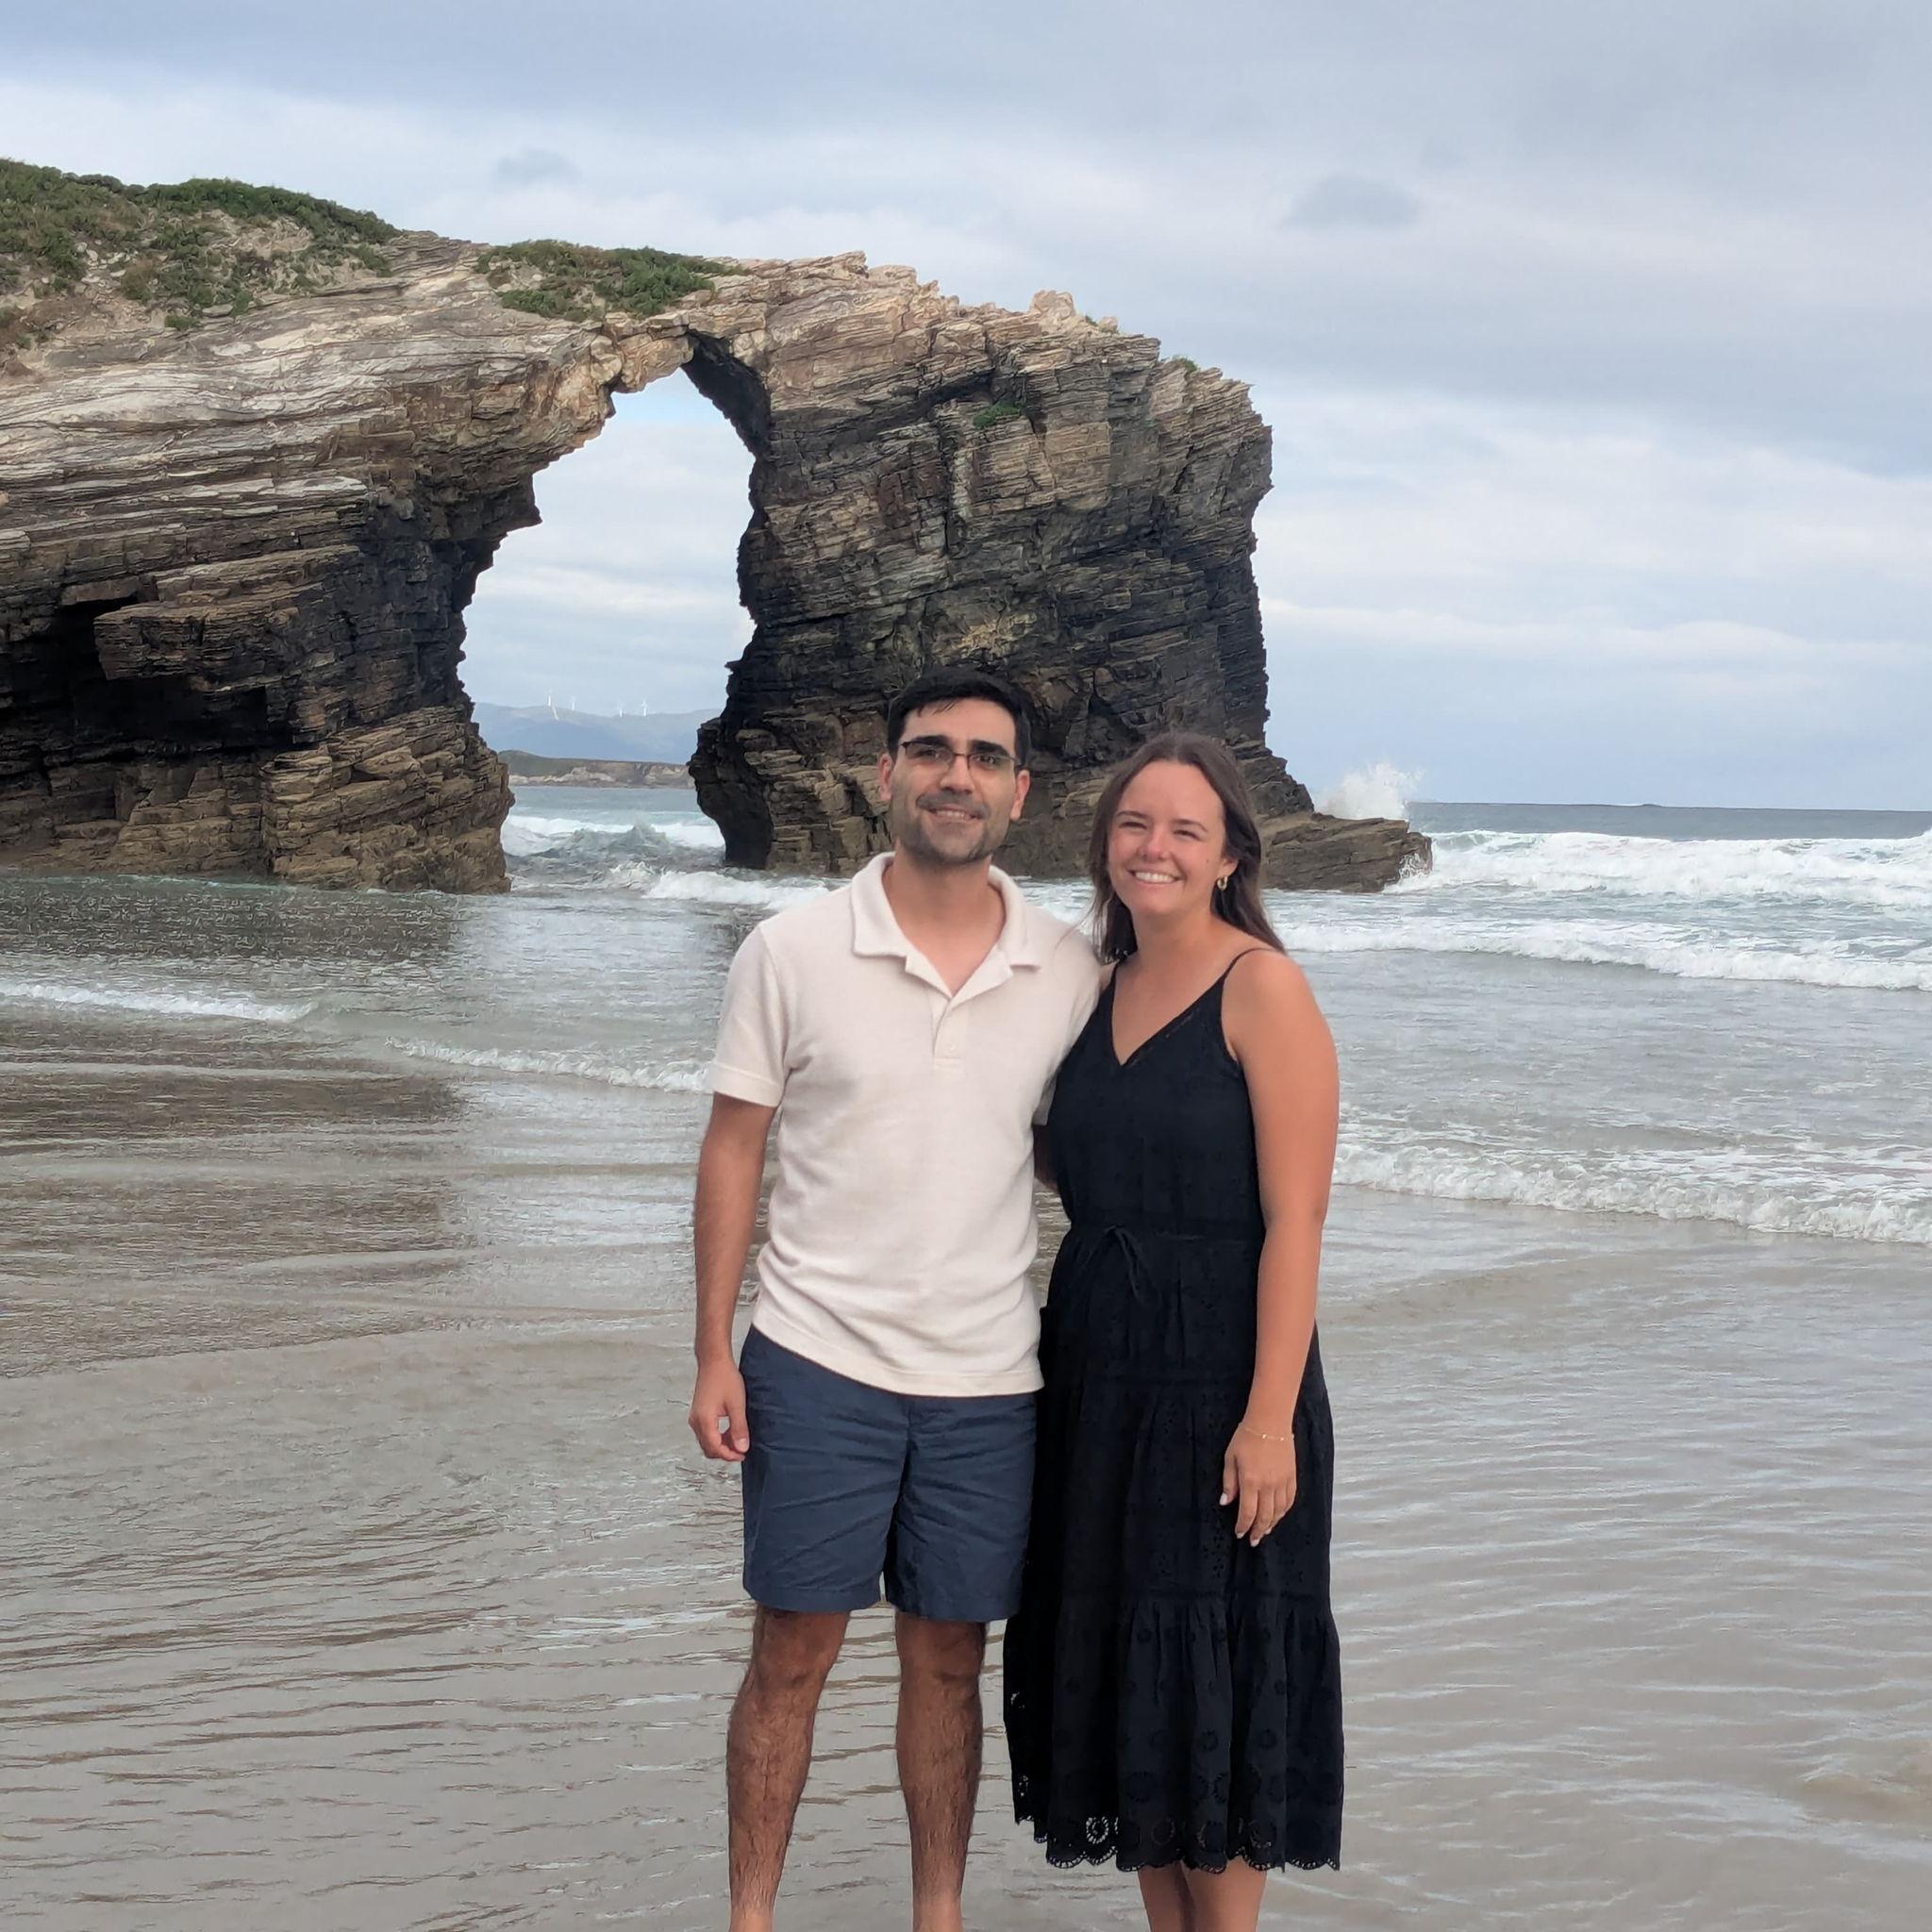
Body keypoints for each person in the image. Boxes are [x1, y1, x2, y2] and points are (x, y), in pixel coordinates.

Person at [687, 668, 1103, 1932]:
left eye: (984, 757)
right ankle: (750, 1917)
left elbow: (1077, 1150)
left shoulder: (1069, 968)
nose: (954, 776)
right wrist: (713, 1351)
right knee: (792, 1651)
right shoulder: (791, 950)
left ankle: (939, 1914)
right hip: (814, 1358)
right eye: (930, 751)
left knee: (948, 1657)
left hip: (989, 1377)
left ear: (1019, 791)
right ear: (886, 775)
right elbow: (733, 1148)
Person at [1003, 732, 1343, 1932]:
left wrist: (1268, 1418)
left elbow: (1296, 1219)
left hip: (1224, 1380)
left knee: (1213, 1671)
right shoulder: (1090, 988)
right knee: (1128, 1680)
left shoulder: (1261, 987)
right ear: (1103, 841)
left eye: (1184, 829)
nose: (1154, 847)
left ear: (1229, 855)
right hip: (1097, 1372)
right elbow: (1054, 1153)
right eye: (1134, 823)